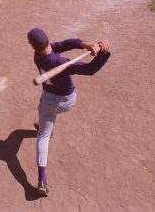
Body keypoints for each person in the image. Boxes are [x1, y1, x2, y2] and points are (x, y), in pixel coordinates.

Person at [27, 28, 111, 197]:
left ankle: (42, 180)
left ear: (33, 46)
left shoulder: (39, 57)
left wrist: (85, 45)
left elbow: (65, 44)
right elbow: (89, 70)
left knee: (43, 134)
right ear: (47, 40)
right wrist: (103, 53)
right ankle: (45, 125)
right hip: (67, 102)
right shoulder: (59, 61)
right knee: (48, 113)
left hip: (49, 100)